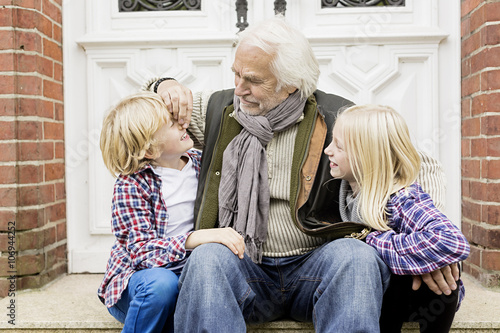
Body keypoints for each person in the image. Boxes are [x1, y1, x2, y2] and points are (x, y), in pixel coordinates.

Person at [145, 16, 459, 333]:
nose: (239, 88)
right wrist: (163, 86)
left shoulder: (339, 116)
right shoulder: (219, 109)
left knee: (356, 255)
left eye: (253, 80)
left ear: (291, 83)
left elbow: (420, 164)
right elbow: (139, 120)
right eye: (236, 74)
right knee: (207, 258)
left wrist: (428, 253)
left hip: (316, 264)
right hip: (243, 267)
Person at [97, 91, 244, 333]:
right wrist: (195, 238)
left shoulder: (201, 164)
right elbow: (140, 253)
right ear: (149, 150)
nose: (182, 124)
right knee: (162, 285)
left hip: (185, 276)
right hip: (141, 286)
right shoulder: (131, 185)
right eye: (171, 124)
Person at [324, 104, 470, 332]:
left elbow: (450, 241)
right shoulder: (344, 190)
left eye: (339, 146)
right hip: (378, 297)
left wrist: (370, 240)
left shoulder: (400, 197)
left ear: (367, 156)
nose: (328, 150)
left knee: (399, 274)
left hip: (420, 298)